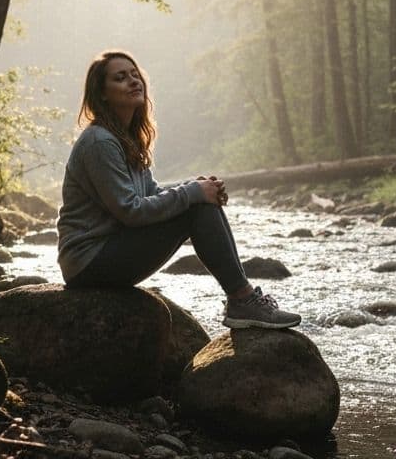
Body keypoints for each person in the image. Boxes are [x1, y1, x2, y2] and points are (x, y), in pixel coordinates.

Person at [56, 49, 300, 329]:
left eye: (135, 75)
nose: (133, 81)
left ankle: (242, 300)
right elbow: (130, 210)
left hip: (109, 249)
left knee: (200, 200)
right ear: (102, 94)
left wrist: (196, 187)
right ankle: (242, 300)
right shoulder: (100, 142)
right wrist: (193, 193)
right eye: (120, 78)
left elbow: (151, 193)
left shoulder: (126, 139)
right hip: (88, 261)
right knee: (196, 207)